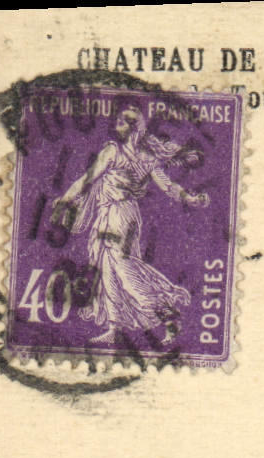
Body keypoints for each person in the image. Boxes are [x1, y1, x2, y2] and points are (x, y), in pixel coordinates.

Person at [50, 107, 211, 347]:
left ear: (132, 128)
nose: (116, 126)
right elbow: (169, 187)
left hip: (116, 214)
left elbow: (86, 180)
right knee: (107, 267)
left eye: (121, 122)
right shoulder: (147, 158)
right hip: (123, 215)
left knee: (121, 265)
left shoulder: (112, 151)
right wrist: (188, 198)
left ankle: (164, 309)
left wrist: (65, 201)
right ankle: (115, 326)